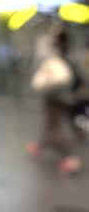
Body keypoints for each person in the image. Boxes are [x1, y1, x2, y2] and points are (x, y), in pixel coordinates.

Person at [27, 28, 83, 174]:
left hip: (56, 98)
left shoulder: (59, 58)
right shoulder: (70, 57)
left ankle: (70, 157)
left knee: (52, 129)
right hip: (61, 98)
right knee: (49, 125)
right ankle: (39, 145)